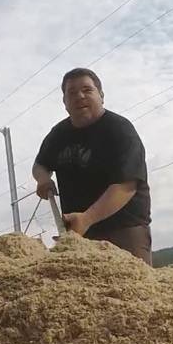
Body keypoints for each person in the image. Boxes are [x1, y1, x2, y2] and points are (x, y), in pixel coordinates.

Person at [32, 67, 152, 264]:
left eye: (87, 90)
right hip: (78, 234)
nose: (79, 96)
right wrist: (43, 178)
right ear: (64, 102)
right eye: (71, 93)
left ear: (101, 95)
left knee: (133, 291)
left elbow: (126, 186)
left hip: (123, 231)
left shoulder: (120, 131)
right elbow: (40, 164)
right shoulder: (58, 134)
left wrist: (87, 218)